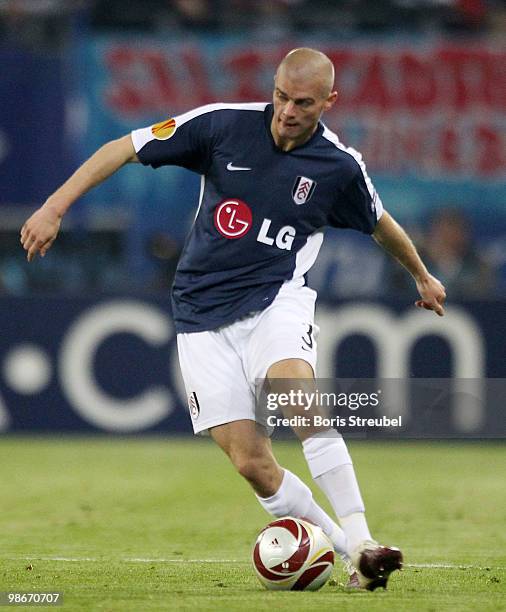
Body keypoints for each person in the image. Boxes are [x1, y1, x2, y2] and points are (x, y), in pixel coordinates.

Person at [20, 48, 446, 590]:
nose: (288, 111)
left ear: (329, 102)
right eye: (282, 96)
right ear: (273, 88)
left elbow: (379, 223)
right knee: (252, 464)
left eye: (304, 103)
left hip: (276, 299)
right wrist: (54, 207)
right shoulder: (221, 126)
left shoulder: (339, 166)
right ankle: (351, 554)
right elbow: (123, 147)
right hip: (199, 314)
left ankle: (363, 535)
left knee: (296, 394)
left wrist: (421, 275)